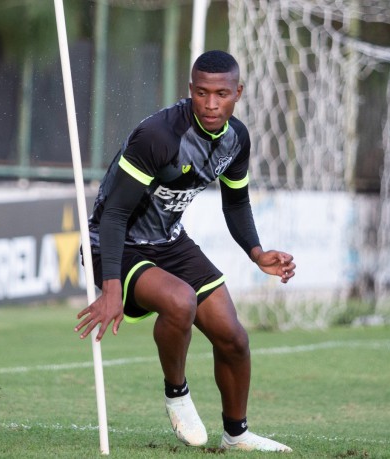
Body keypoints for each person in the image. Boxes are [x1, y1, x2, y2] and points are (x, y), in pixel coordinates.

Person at [74, 50, 295, 453]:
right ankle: (177, 395)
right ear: (190, 89)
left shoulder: (236, 138)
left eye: (221, 94)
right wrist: (111, 288)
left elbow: (236, 202)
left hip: (169, 241)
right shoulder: (158, 135)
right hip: (114, 243)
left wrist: (256, 252)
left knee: (234, 338)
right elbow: (115, 214)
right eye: (202, 93)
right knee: (180, 301)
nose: (211, 104)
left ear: (237, 93)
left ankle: (237, 435)